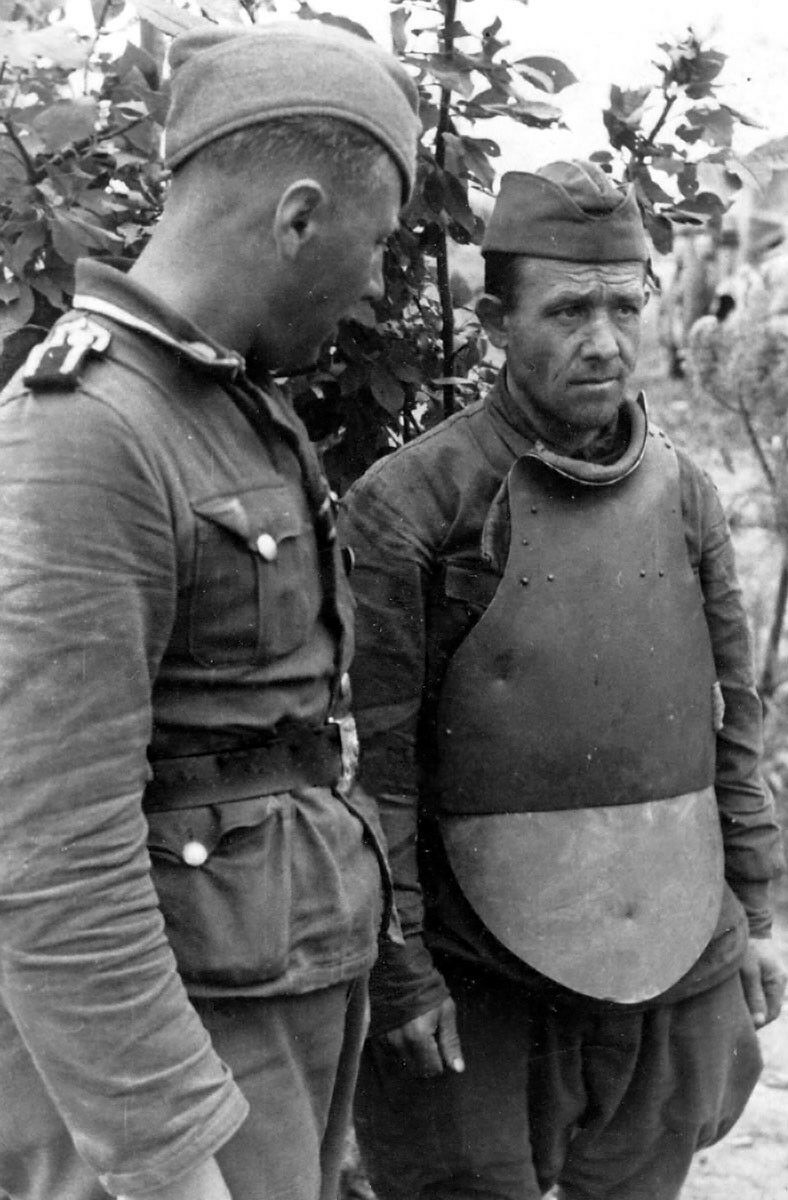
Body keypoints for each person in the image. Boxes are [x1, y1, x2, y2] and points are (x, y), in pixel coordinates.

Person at [0, 21, 418, 1200]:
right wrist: (169, 1157)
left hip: (257, 1013)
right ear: (298, 217)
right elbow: (47, 849)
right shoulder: (87, 431)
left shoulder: (224, 404)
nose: (374, 282)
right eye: (376, 244)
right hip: (172, 1070)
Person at [340, 161, 787, 1200]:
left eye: (624, 307)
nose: (604, 341)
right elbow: (378, 770)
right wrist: (403, 975)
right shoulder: (410, 506)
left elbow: (731, 716)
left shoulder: (685, 491)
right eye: (568, 311)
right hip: (483, 977)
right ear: (498, 323)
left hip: (673, 952)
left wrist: (754, 913)